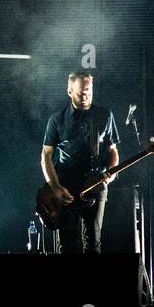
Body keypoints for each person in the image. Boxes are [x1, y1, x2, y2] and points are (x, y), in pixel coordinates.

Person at [40, 71, 120, 253]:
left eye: (89, 92)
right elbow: (46, 156)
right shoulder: (57, 119)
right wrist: (55, 187)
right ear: (69, 91)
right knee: (67, 246)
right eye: (80, 93)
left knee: (93, 243)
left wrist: (111, 173)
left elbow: (113, 150)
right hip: (66, 186)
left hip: (95, 184)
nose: (86, 96)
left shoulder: (105, 115)